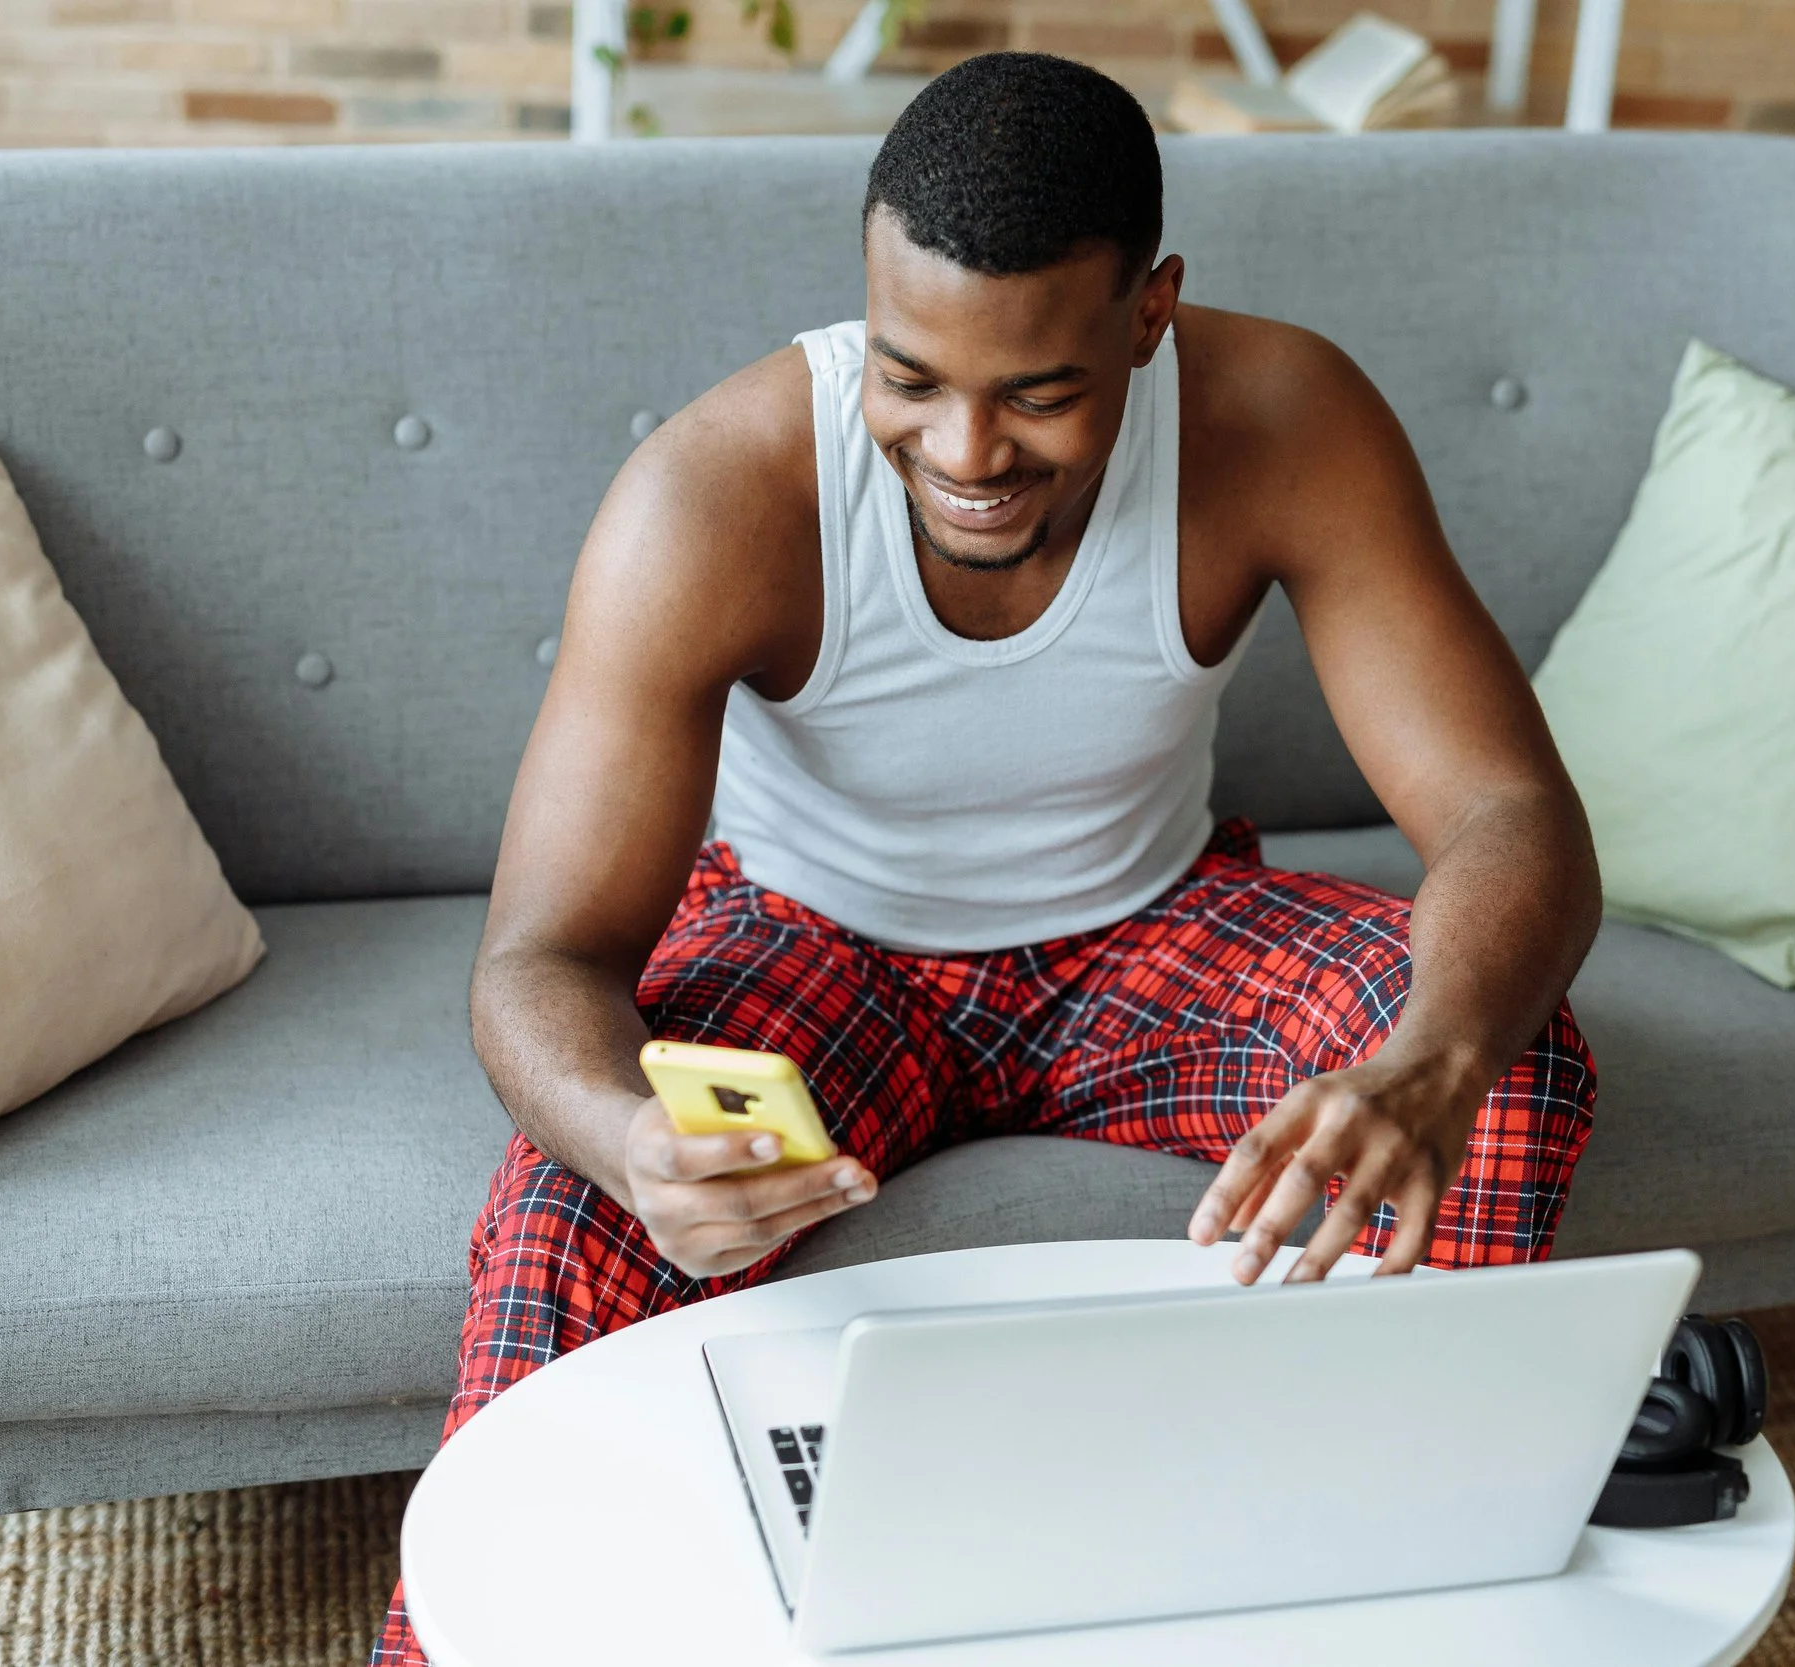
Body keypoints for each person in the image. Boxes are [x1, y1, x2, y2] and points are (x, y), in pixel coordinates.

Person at [373, 50, 1599, 1663]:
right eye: (910, 377)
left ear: (1149, 315)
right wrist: (624, 1137)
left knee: (1508, 1071)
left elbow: (1513, 814)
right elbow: (542, 957)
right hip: (814, 946)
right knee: (566, 1212)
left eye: (1039, 393)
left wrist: (1433, 1059)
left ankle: (1361, 1591)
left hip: (1149, 937)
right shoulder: (717, 493)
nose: (964, 450)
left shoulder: (1283, 418)